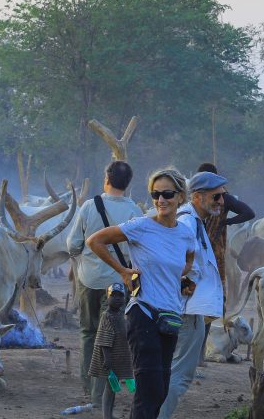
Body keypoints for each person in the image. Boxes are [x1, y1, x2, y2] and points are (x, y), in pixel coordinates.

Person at [86, 168, 196, 419]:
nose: (161, 200)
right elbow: (94, 241)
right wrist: (122, 271)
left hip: (170, 318)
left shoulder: (185, 233)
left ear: (181, 196)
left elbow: (189, 257)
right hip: (143, 313)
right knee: (149, 389)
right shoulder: (141, 226)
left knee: (161, 390)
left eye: (167, 194)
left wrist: (178, 276)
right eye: (155, 194)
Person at [68, 161, 144, 401]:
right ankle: (101, 392)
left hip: (88, 280)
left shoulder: (89, 206)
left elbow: (72, 245)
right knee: (110, 337)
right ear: (128, 184)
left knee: (88, 332)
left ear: (106, 179)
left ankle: (88, 386)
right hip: (118, 284)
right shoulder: (135, 211)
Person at [159, 171, 228, 419]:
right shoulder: (187, 223)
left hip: (189, 309)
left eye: (222, 196)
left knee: (172, 373)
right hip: (186, 311)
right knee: (179, 375)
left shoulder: (194, 222)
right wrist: (185, 284)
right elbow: (173, 263)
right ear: (197, 197)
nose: (221, 201)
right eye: (216, 196)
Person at [195, 163, 255, 303]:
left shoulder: (198, 197)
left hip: (203, 250)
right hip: (211, 250)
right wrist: (226, 222)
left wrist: (226, 222)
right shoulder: (223, 198)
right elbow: (249, 213)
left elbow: (249, 213)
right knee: (212, 289)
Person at [91, 283, 134, 419]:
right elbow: (104, 338)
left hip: (117, 357)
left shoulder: (120, 315)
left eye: (120, 295)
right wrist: (107, 358)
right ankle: (107, 415)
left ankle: (109, 414)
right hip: (109, 358)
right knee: (110, 388)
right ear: (107, 297)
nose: (117, 298)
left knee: (113, 388)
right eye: (113, 295)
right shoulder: (107, 316)